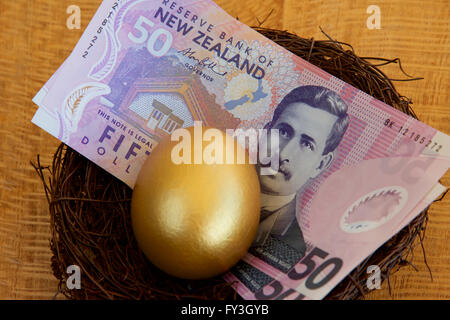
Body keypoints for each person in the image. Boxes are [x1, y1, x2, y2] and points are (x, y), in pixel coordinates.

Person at [249, 85, 350, 271]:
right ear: (264, 133)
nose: (283, 153)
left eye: (307, 144)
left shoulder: (292, 252)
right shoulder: (209, 175)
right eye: (283, 132)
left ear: (320, 165)